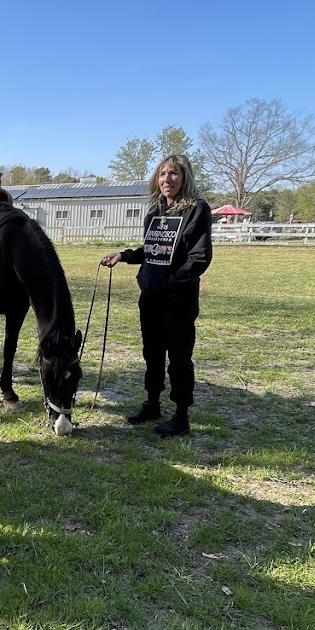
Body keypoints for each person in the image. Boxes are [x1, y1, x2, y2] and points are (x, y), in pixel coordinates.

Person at [101, 154, 212, 437]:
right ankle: (152, 403)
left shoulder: (197, 210)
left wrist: (173, 283)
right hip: (150, 298)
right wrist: (124, 256)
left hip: (177, 300)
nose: (167, 180)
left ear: (185, 178)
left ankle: (181, 416)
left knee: (178, 358)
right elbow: (152, 250)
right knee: (152, 354)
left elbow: (199, 258)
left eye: (174, 174)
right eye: (162, 174)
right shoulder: (155, 213)